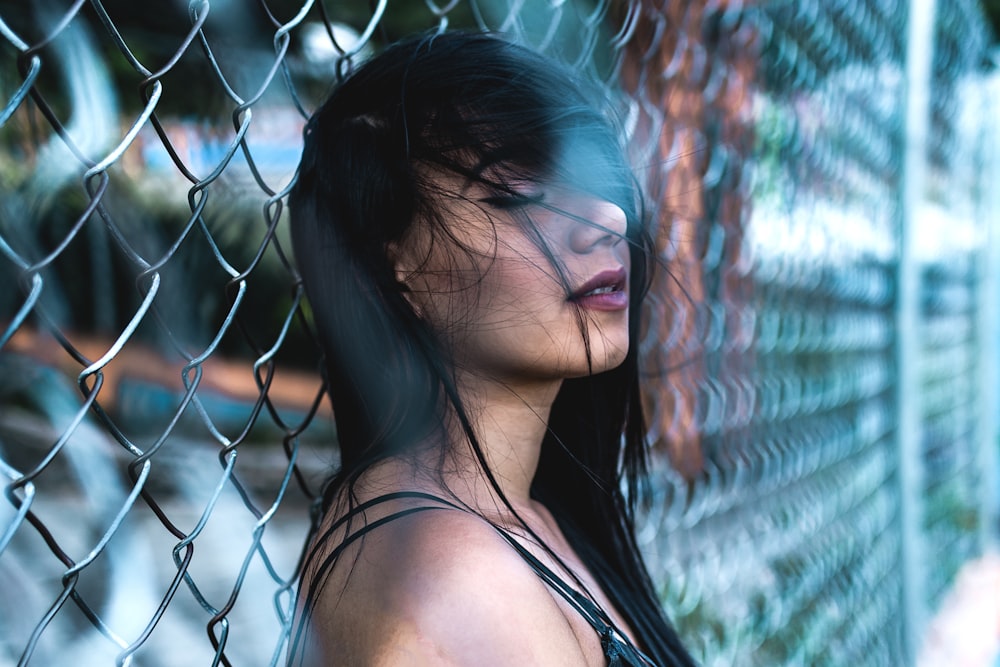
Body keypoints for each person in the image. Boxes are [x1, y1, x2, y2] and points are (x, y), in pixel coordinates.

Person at [286, 29, 695, 667]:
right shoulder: (460, 577)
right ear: (397, 267)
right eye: (520, 196)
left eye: (592, 176)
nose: (611, 219)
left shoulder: (513, 517)